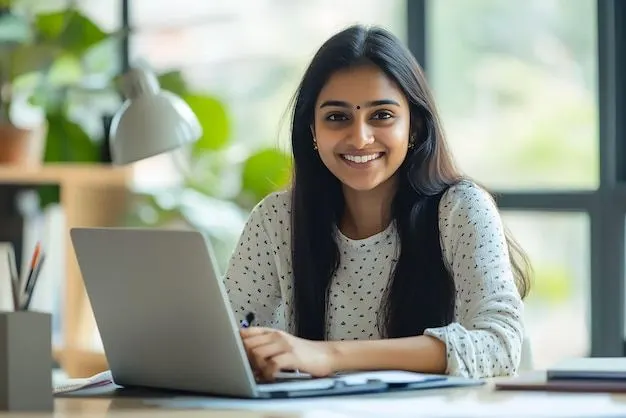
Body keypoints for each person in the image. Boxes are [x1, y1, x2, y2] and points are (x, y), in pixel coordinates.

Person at [222, 24, 532, 382]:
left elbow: (500, 346)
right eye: (337, 117)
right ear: (312, 130)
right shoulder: (277, 218)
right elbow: (220, 339)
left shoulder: (460, 209)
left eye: (381, 115)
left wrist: (329, 355)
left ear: (414, 126)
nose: (360, 137)